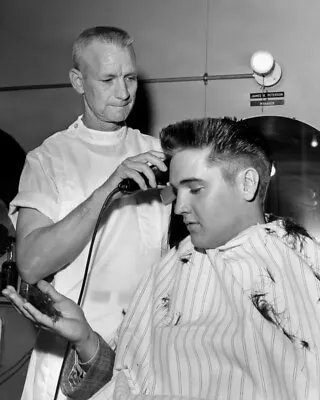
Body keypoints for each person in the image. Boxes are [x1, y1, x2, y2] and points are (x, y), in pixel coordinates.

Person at [5, 116, 320, 399]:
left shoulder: (297, 262)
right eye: (177, 191)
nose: (179, 207)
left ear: (247, 183)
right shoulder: (169, 270)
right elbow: (123, 381)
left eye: (195, 190)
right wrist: (86, 338)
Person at [9, 26, 171, 400]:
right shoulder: (48, 158)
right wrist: (106, 191)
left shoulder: (157, 154)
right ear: (78, 82)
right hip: (69, 366)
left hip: (143, 359)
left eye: (130, 77)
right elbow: (31, 264)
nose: (124, 91)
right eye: (108, 79)